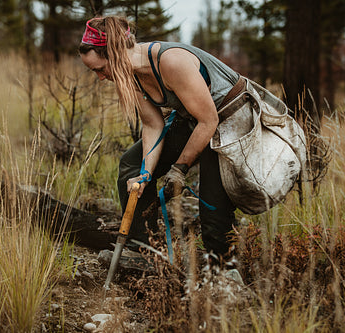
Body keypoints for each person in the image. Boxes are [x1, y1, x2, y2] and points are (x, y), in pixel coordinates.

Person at [79, 16, 245, 268]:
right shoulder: (132, 74)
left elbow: (209, 121)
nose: (101, 77)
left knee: (212, 202)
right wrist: (146, 174)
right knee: (132, 166)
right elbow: (153, 124)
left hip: (229, 120)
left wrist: (179, 169)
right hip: (195, 119)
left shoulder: (171, 62)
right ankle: (140, 250)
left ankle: (225, 273)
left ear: (113, 52)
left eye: (100, 69)